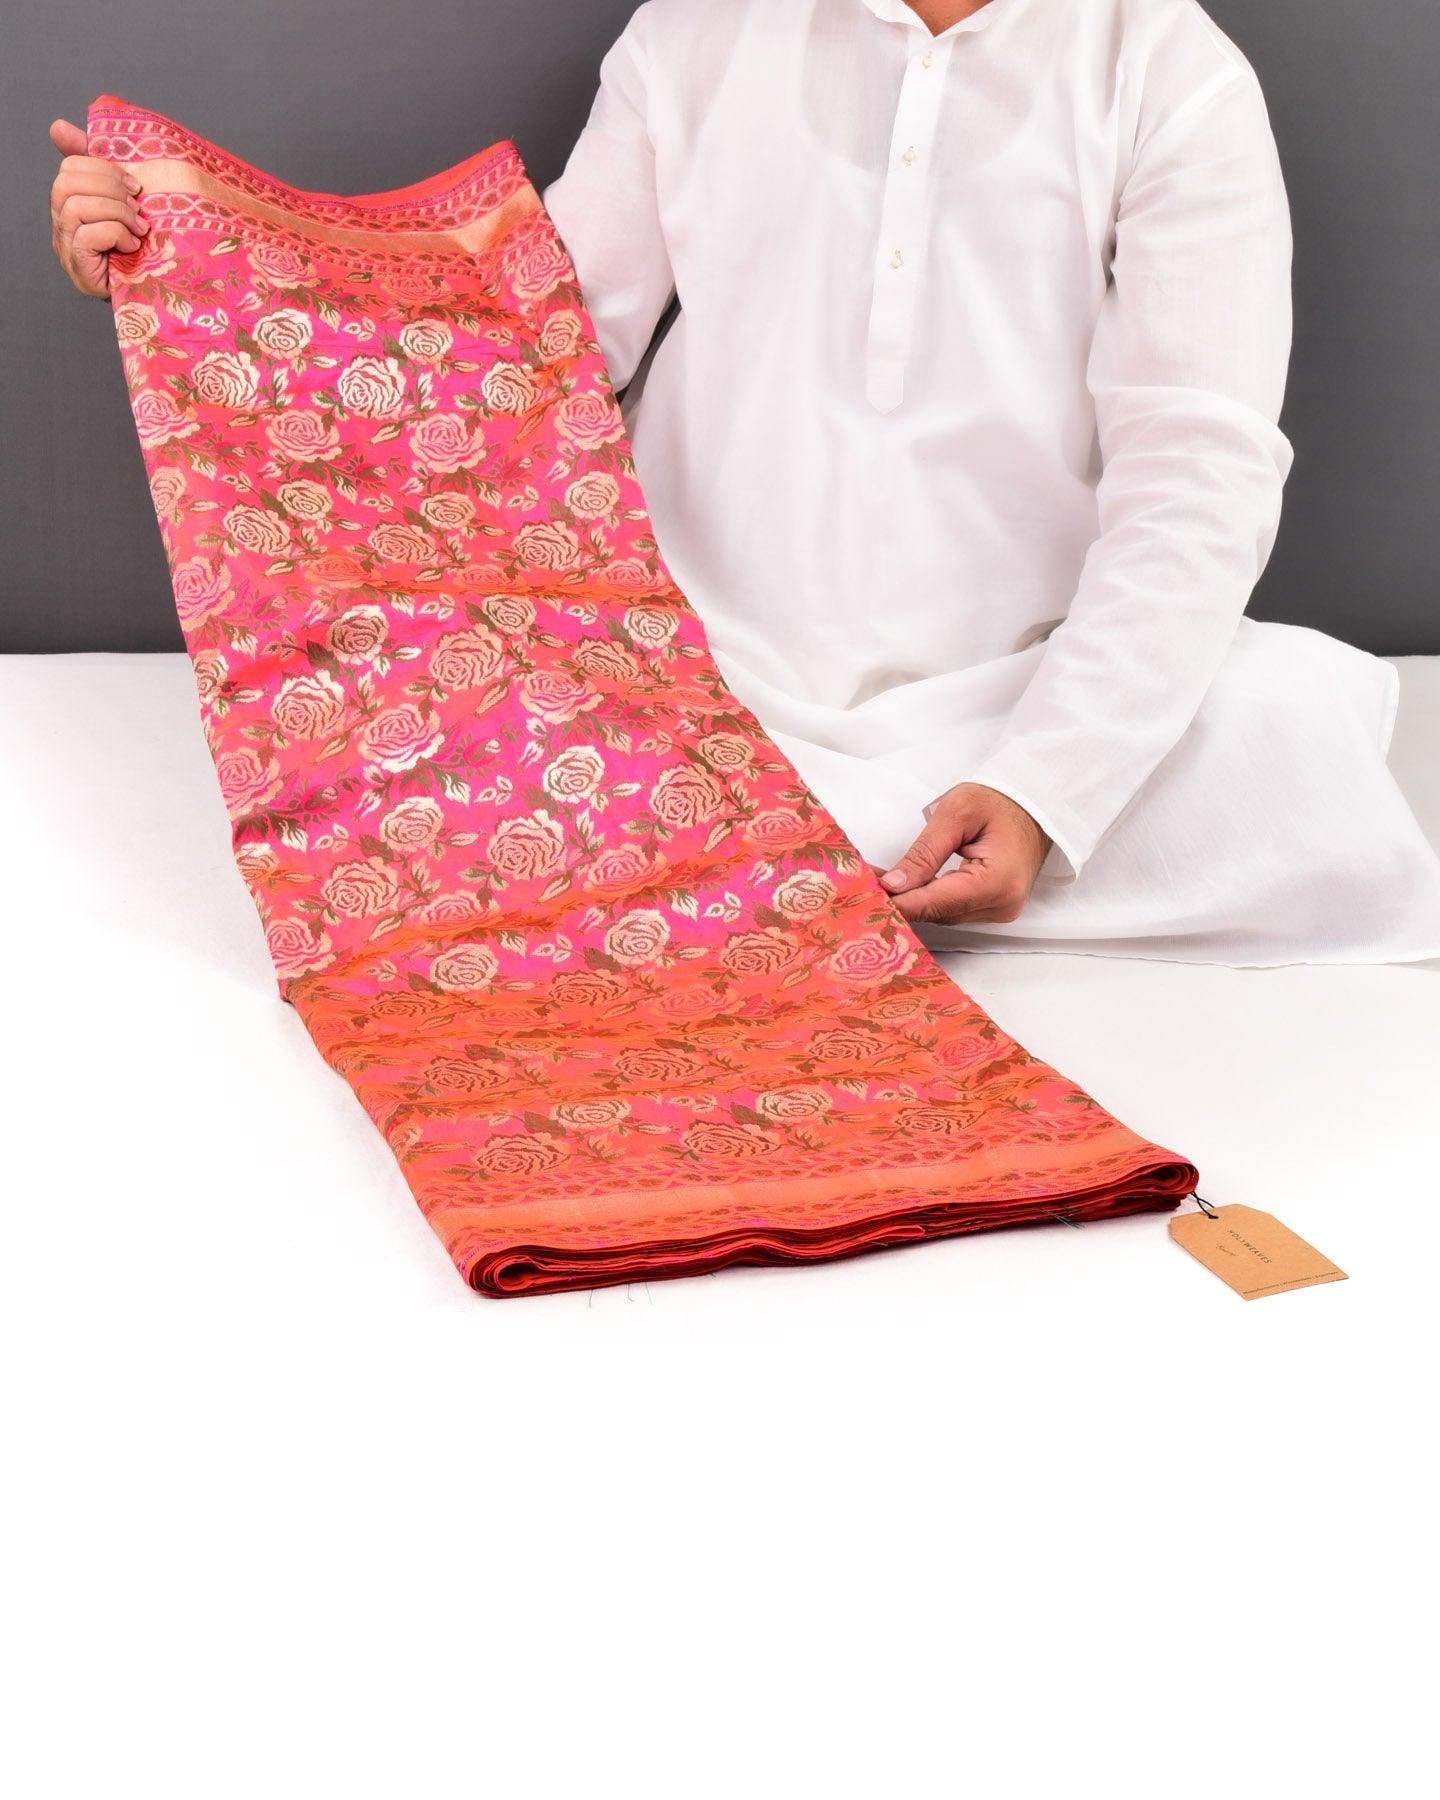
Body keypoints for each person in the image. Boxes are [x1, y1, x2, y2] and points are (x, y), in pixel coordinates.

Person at [49, 0, 1440, 964]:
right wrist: (183, 259)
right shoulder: (696, 29)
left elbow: (1200, 469)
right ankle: (776, 852)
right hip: (680, 678)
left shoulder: (1172, 70)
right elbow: (522, 354)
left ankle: (803, 860)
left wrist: (1043, 788)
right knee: (446, 689)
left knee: (1282, 727)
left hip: (1012, 688)